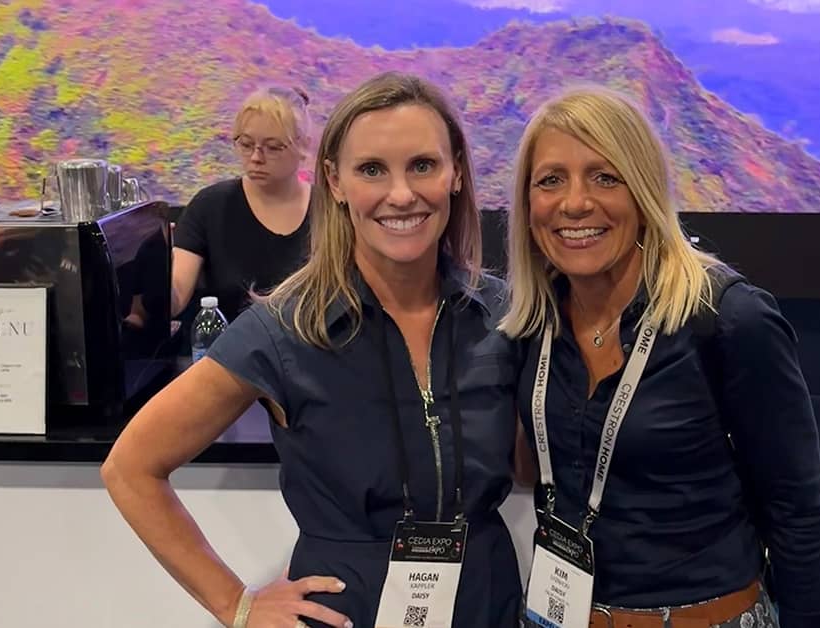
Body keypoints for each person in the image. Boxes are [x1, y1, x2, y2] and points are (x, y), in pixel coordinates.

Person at [102, 72, 523, 628]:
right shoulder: (285, 328)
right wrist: (235, 604)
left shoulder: (503, 315)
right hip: (345, 611)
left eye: (423, 165)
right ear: (334, 181)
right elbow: (131, 468)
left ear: (457, 173)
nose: (401, 194)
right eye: (371, 169)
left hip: (484, 604)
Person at [500, 87, 820, 628]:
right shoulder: (532, 323)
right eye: (550, 180)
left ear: (644, 192)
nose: (575, 202)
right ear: (527, 203)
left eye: (605, 177)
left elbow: (797, 508)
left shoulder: (729, 319)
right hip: (557, 612)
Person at [172, 86, 314, 322]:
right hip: (226, 344)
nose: (256, 158)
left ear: (304, 146)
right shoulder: (210, 206)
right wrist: (156, 272)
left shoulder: (330, 211)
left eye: (273, 147)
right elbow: (175, 300)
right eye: (246, 145)